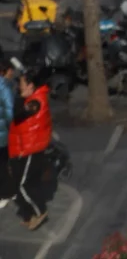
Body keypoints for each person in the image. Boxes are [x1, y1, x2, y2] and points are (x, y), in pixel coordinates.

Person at [8, 67, 52, 230]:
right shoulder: (31, 99)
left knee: (23, 185)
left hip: (31, 149)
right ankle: (30, 214)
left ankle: (40, 212)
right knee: (21, 183)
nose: (19, 87)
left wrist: (20, 98)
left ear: (31, 86)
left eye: (22, 84)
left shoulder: (35, 102)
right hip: (22, 148)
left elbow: (18, 115)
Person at [0, 54, 16, 207]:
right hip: (3, 133)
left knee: (3, 164)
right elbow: (9, 111)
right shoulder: (4, 87)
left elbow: (9, 111)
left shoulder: (5, 87)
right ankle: (7, 192)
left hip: (3, 134)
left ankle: (7, 192)